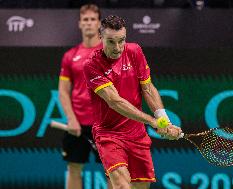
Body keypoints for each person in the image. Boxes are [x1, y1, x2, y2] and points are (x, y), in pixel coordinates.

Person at [83, 15, 182, 189]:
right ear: (100, 38)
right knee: (121, 185)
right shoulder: (92, 65)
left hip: (137, 135)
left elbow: (148, 88)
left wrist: (164, 120)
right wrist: (153, 121)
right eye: (111, 42)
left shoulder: (134, 51)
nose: (118, 47)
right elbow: (115, 102)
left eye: (121, 41)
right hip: (109, 134)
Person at [58, 4, 111, 189]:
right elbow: (63, 91)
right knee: (74, 168)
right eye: (85, 20)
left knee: (113, 171)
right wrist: (71, 119)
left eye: (92, 19)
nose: (89, 23)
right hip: (77, 124)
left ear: (99, 24)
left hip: (105, 124)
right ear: (80, 24)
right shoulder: (70, 56)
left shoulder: (109, 53)